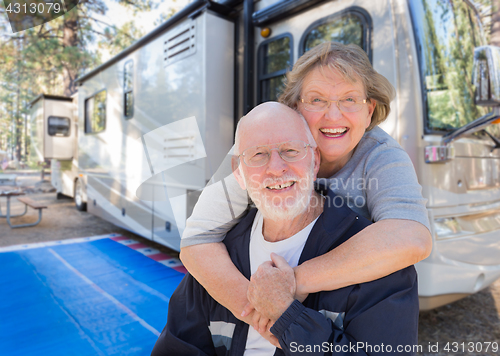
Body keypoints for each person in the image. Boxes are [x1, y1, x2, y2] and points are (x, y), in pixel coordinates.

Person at [180, 42, 432, 335]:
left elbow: (412, 237)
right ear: (294, 107)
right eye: (317, 100)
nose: (334, 116)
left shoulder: (381, 155)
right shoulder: (257, 151)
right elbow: (197, 240)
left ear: (369, 110)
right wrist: (258, 314)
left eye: (350, 99)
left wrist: (292, 283)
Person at [151, 103, 419, 355]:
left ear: (315, 161)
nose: (276, 168)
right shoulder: (218, 261)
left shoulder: (377, 262)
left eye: (291, 150)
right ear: (239, 172)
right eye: (258, 155)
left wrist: (287, 316)